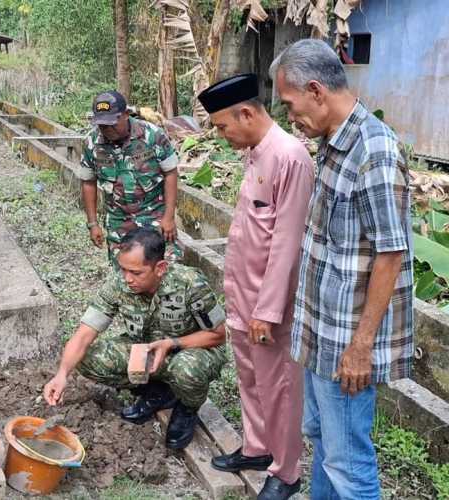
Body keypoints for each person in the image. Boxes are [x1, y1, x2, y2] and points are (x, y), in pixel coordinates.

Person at [271, 39, 415, 499]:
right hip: (321, 333)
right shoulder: (334, 142)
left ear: (316, 90)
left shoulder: (374, 150)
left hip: (347, 344)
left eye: (290, 105)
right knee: (324, 442)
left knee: (350, 465)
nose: (289, 117)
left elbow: (391, 254)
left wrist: (361, 348)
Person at [197, 74, 313, 500]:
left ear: (246, 113)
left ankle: (286, 472)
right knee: (250, 376)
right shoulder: (254, 153)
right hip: (242, 298)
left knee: (279, 386)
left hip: (268, 305)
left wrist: (267, 310)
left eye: (223, 126)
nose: (222, 135)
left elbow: (287, 242)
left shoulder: (290, 157)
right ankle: (258, 448)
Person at [42, 227, 227, 449]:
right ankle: (159, 393)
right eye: (123, 270)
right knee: (88, 357)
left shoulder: (190, 283)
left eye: (137, 273)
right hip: (147, 353)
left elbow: (219, 334)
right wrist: (62, 375)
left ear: (160, 268)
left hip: (188, 352)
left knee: (187, 370)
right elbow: (83, 335)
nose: (128, 279)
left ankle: (187, 407)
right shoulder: (118, 284)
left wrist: (173, 343)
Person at [79, 91, 181, 266]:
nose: (107, 130)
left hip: (154, 218)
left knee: (164, 271)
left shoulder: (152, 135)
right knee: (125, 278)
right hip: (118, 223)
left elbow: (171, 173)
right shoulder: (92, 142)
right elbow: (88, 182)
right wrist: (93, 223)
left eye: (112, 124)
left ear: (126, 114)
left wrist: (169, 217)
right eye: (102, 125)